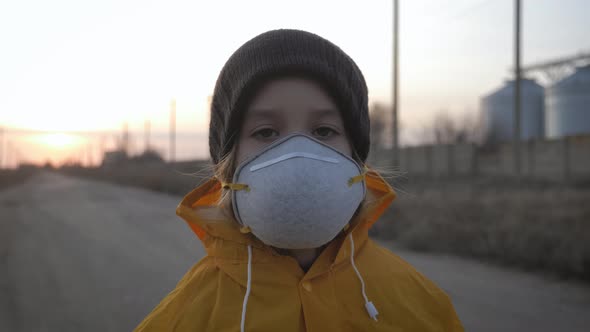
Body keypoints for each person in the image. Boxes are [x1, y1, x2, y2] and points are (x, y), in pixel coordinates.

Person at [134, 29, 464, 332]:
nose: (298, 157)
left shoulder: (424, 310)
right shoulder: (182, 321)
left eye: (324, 131)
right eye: (266, 132)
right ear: (228, 165)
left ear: (355, 158)